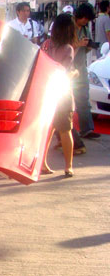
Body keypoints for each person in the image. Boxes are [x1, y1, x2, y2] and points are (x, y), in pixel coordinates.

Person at [41, 14, 78, 178]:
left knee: (47, 130)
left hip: (45, 91)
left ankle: (42, 163)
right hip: (62, 92)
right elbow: (64, 71)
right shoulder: (68, 48)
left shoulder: (46, 44)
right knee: (65, 130)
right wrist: (75, 73)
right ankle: (68, 166)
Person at [72, 3, 101, 140]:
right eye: (84, 18)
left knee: (83, 98)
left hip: (80, 67)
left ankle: (87, 129)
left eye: (87, 19)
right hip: (67, 67)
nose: (85, 21)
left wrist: (89, 45)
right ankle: (62, 131)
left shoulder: (85, 29)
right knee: (63, 102)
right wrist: (78, 44)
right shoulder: (68, 26)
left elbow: (86, 49)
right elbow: (62, 46)